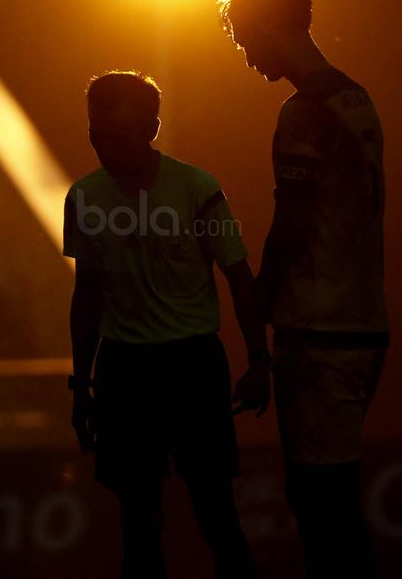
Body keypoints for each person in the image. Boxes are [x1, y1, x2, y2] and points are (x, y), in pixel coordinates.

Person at [218, 0, 390, 578]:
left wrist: (255, 311)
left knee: (321, 504)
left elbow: (289, 226)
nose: (246, 54)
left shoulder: (302, 113)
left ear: (267, 22)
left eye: (243, 36)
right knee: (335, 497)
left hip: (317, 332)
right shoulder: (357, 97)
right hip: (364, 322)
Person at [65, 71, 269, 579]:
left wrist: (260, 359)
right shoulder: (83, 199)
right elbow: (86, 295)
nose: (106, 150)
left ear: (152, 128)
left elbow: (241, 279)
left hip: (190, 365)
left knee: (215, 512)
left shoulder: (197, 189)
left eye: (119, 138)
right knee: (139, 523)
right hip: (126, 370)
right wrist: (82, 382)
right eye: (96, 137)